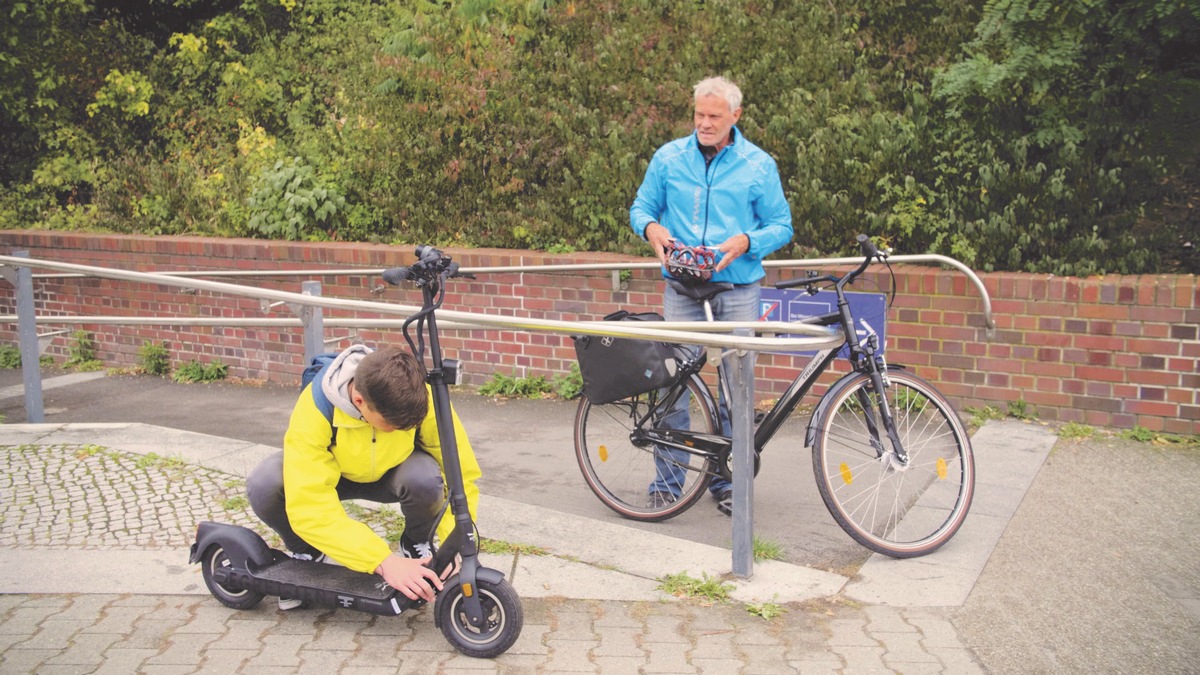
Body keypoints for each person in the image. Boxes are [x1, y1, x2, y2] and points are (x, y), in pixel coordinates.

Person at [629, 75, 794, 516]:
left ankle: (727, 482)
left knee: (735, 387)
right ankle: (668, 482)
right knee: (673, 383)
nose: (704, 122)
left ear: (735, 117)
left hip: (738, 285)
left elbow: (782, 225)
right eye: (699, 114)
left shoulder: (759, 165)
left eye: (714, 116)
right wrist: (651, 228)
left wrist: (745, 241)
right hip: (683, 287)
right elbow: (641, 207)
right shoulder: (668, 158)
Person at [246, 344, 481, 609]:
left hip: (394, 471)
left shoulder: (417, 393)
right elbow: (308, 506)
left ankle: (415, 542)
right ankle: (308, 552)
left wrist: (454, 545)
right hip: (334, 476)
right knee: (265, 483)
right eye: (390, 426)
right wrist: (383, 562)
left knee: (425, 477)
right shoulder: (315, 407)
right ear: (359, 402)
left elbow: (461, 472)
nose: (395, 430)